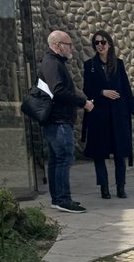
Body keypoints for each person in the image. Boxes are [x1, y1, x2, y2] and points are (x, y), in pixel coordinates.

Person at [82, 31, 134, 198]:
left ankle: (121, 187)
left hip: (118, 115)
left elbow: (126, 89)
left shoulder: (118, 64)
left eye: (103, 42)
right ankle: (104, 187)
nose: (100, 45)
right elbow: (87, 89)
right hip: (99, 116)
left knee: (119, 152)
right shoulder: (90, 65)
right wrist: (102, 92)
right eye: (96, 43)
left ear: (109, 44)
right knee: (99, 153)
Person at [38, 30, 93, 213]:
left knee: (57, 159)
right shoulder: (52, 63)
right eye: (68, 45)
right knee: (63, 158)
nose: (71, 48)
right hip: (58, 120)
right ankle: (62, 199)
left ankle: (58, 198)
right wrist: (83, 102)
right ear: (57, 46)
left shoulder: (54, 62)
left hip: (57, 120)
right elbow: (59, 91)